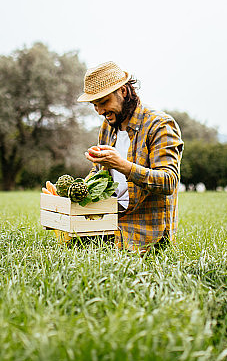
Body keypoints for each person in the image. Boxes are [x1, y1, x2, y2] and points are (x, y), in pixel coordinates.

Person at [78, 61, 183, 252]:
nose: (100, 111)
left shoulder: (159, 125)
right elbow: (99, 174)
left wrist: (122, 165)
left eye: (104, 102)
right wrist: (78, 189)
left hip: (148, 229)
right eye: (95, 105)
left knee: (94, 253)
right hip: (112, 218)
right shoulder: (108, 127)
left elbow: (169, 182)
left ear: (123, 91)